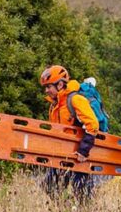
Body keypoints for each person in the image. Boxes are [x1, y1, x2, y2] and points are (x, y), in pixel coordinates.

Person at [40, 65, 99, 202]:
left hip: (81, 156)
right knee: (49, 187)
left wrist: (83, 151)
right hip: (63, 156)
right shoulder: (54, 106)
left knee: (82, 194)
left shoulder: (75, 99)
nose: (46, 90)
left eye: (49, 86)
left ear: (60, 84)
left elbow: (93, 124)